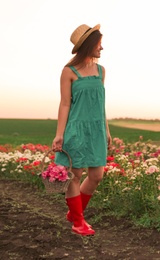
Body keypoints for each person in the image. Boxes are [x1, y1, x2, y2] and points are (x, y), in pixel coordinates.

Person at [52, 24, 111, 236]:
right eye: (98, 44)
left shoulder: (101, 71)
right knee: (74, 175)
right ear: (88, 45)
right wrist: (60, 134)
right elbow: (65, 104)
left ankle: (74, 214)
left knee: (96, 175)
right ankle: (78, 221)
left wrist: (106, 129)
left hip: (96, 129)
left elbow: (100, 103)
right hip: (76, 129)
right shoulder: (68, 72)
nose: (101, 49)